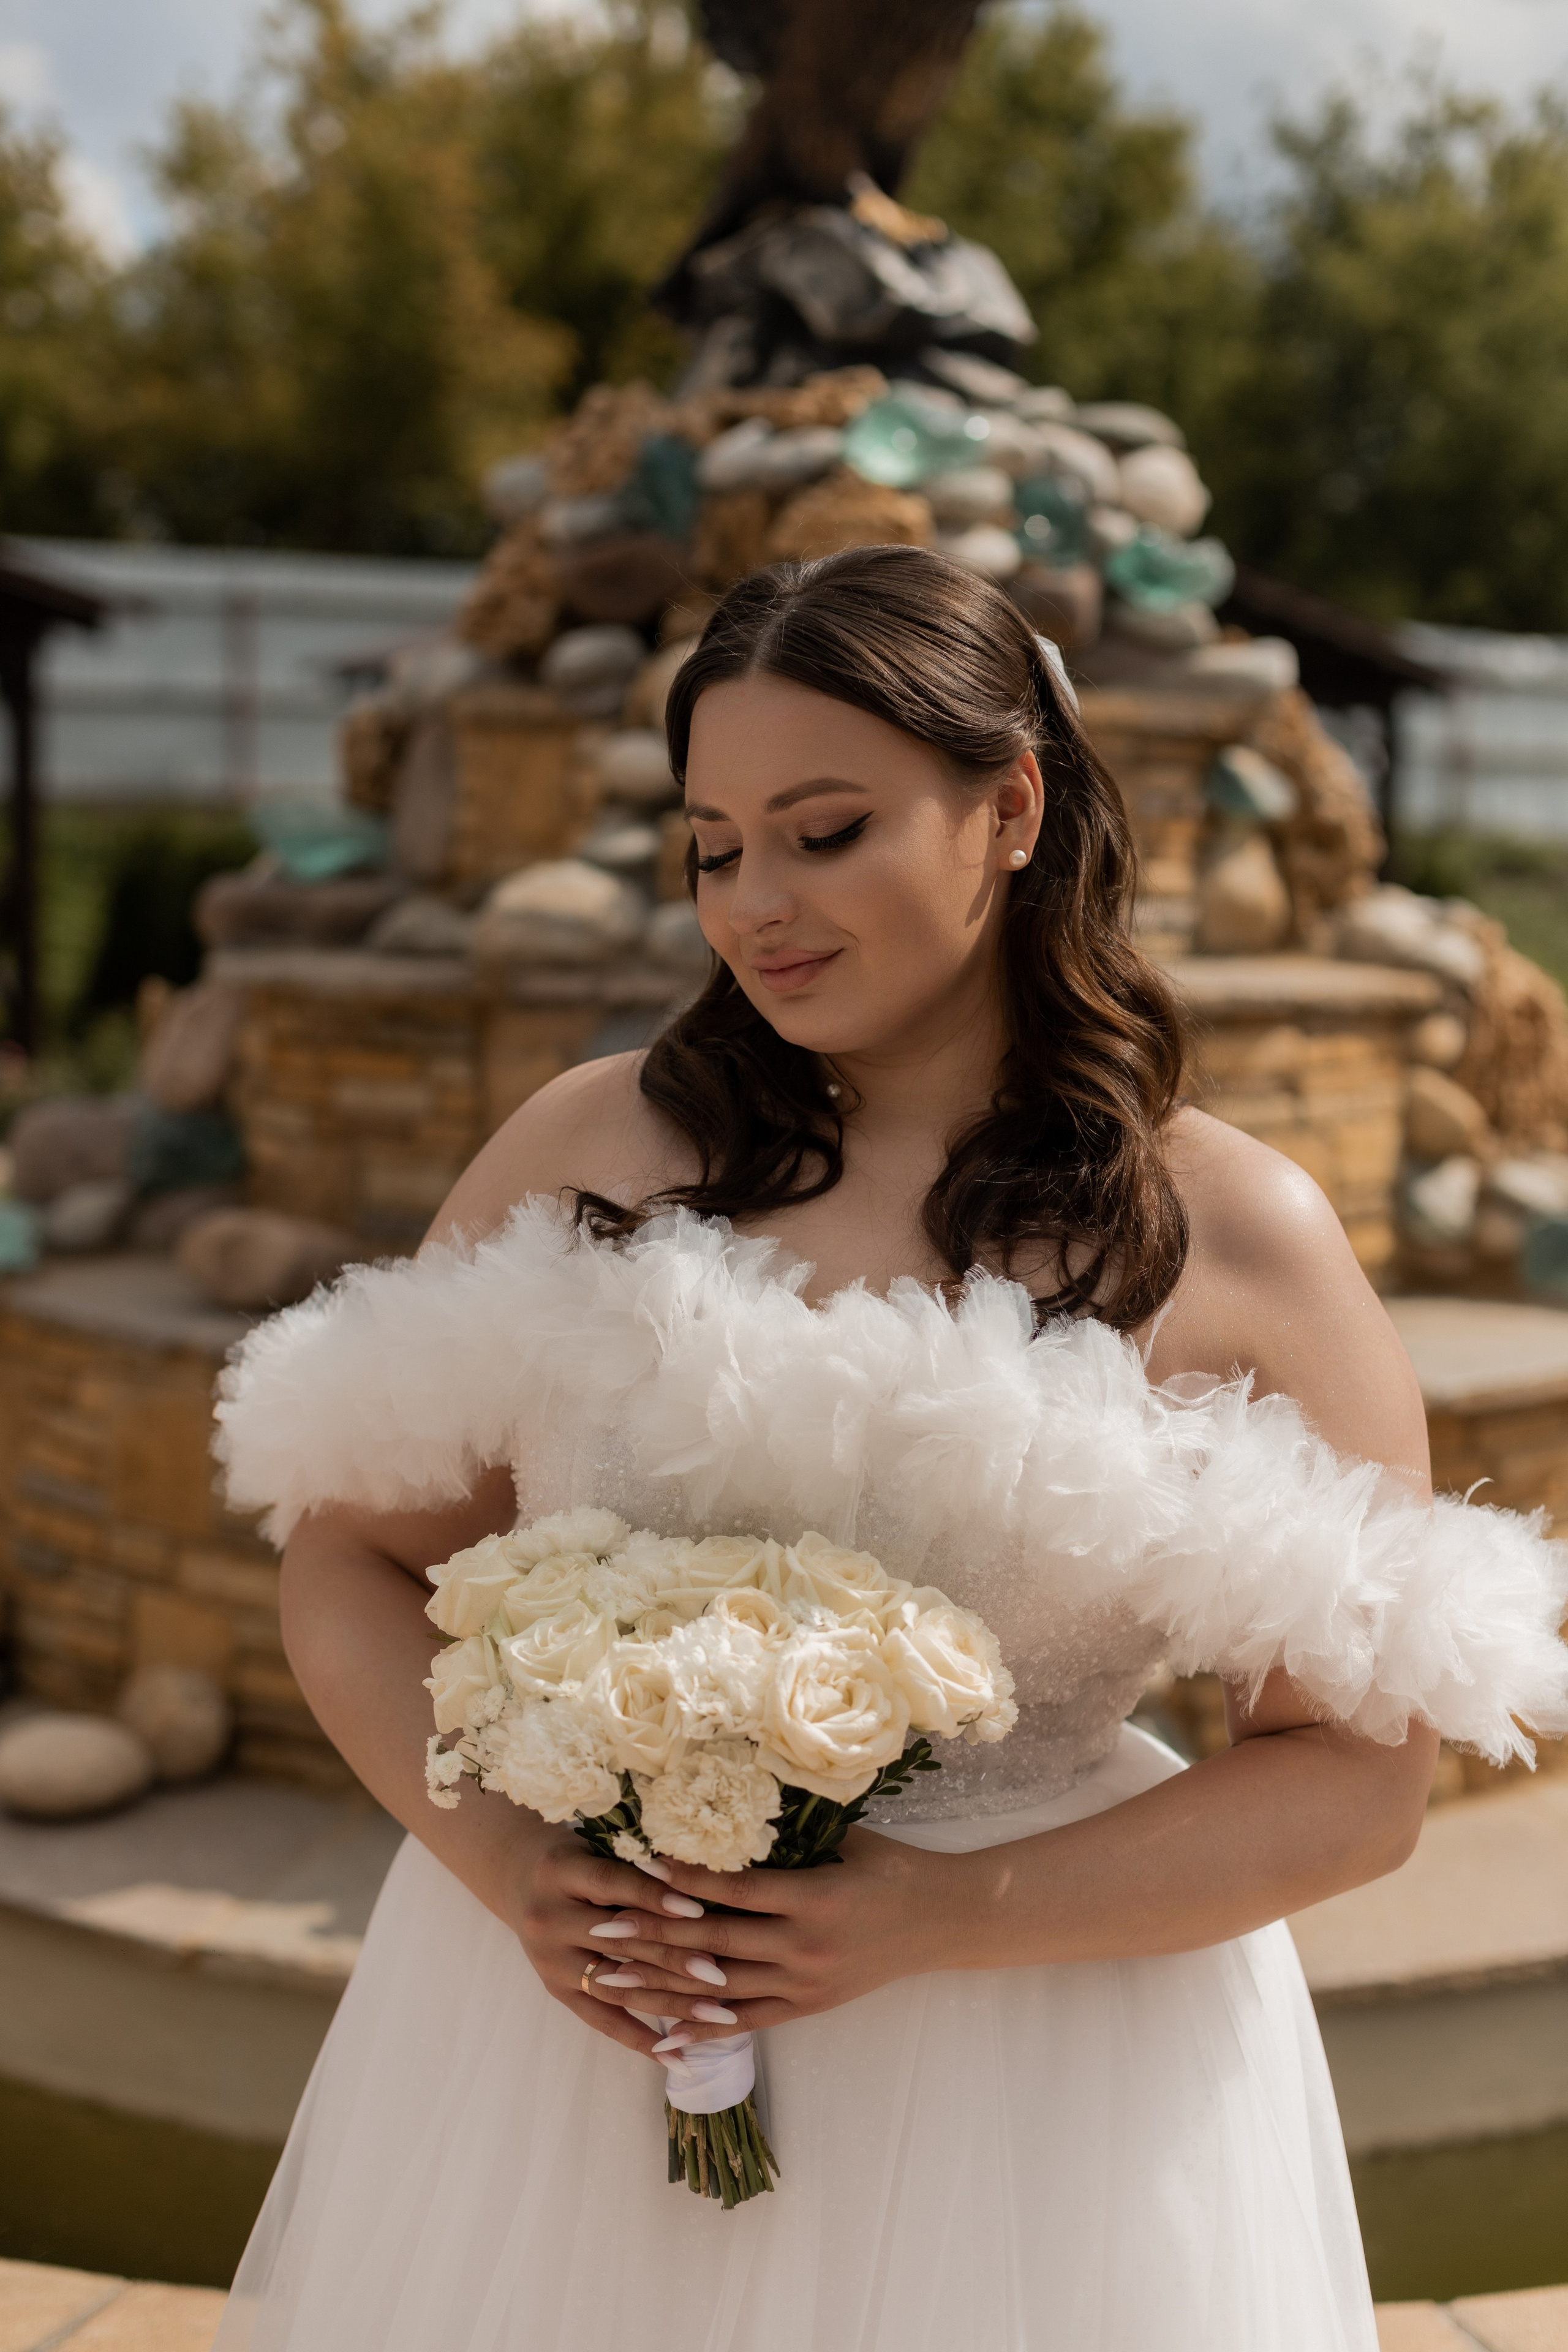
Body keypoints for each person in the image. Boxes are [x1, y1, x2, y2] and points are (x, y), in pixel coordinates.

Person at [213, 545, 1567, 2352]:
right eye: (714, 846)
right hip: (562, 2040)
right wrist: (520, 1874)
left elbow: (1358, 1780)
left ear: (1010, 806)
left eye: (824, 830)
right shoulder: (591, 1149)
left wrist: (935, 1915)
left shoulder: (1233, 1238)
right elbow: (350, 1563)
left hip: (1044, 2080)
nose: (755, 901)